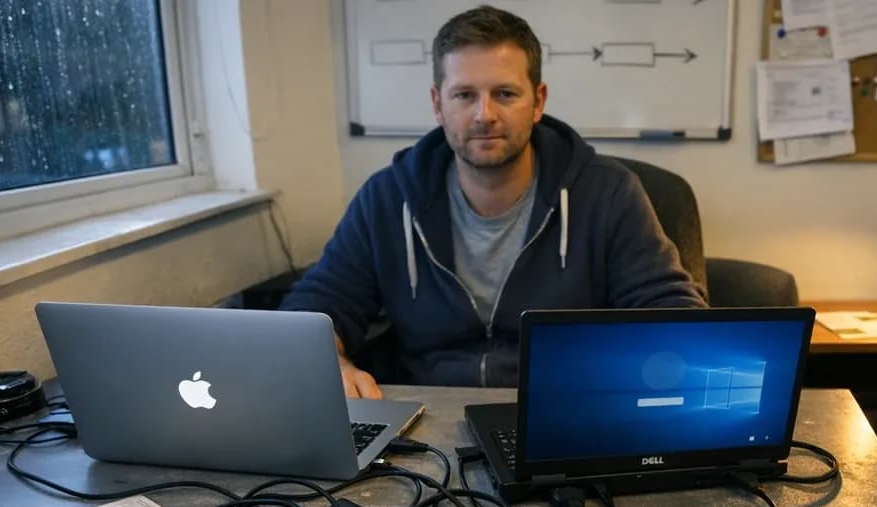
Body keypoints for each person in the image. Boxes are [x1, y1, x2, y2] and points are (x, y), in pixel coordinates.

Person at [280, 5, 706, 398]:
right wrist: (329, 362)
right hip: (423, 410)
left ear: (538, 101)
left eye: (505, 94)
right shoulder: (388, 197)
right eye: (464, 95)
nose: (485, 114)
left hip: (560, 408)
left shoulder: (607, 192)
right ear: (437, 104)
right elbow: (318, 306)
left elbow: (671, 312)